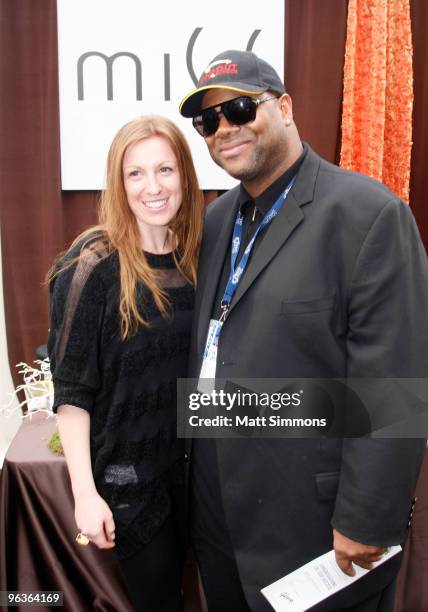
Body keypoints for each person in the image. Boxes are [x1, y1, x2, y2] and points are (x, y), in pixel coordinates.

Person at [178, 50, 428, 611]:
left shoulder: (368, 215)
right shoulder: (217, 221)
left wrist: (368, 520)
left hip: (316, 530)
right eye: (208, 121)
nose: (224, 129)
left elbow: (395, 384)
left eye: (240, 108)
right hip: (218, 521)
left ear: (285, 107)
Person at [47, 115, 204, 611]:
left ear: (185, 176)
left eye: (165, 169)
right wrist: (85, 495)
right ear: (118, 182)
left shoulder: (201, 258)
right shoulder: (92, 265)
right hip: (130, 485)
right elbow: (72, 392)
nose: (152, 187)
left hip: (195, 477)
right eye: (135, 173)